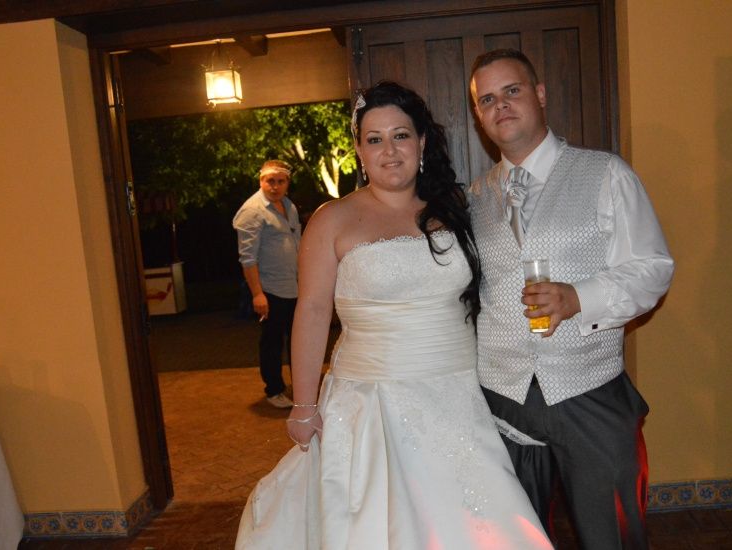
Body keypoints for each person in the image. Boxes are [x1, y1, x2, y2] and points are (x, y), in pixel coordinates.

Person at [235, 81, 553, 550]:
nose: (389, 151)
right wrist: (304, 405)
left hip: (457, 394)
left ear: (422, 142)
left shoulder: (456, 209)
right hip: (369, 403)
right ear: (360, 150)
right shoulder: (332, 220)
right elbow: (314, 311)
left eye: (400, 135)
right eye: (374, 139)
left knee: (476, 522)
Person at [468, 49, 675, 549]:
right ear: (478, 115)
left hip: (590, 393)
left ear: (540, 94)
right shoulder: (474, 197)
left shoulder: (605, 174)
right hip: (502, 398)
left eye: (512, 91)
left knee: (613, 535)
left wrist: (579, 298)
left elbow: (653, 269)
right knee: (512, 539)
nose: (501, 106)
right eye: (487, 99)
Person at [233, 160, 301, 409]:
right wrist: (257, 294)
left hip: (294, 287)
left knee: (299, 340)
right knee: (272, 342)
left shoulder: (288, 206)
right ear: (261, 181)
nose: (275, 186)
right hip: (271, 290)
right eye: (269, 181)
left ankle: (302, 387)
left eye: (280, 181)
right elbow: (247, 258)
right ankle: (274, 390)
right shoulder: (252, 211)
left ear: (287, 183)